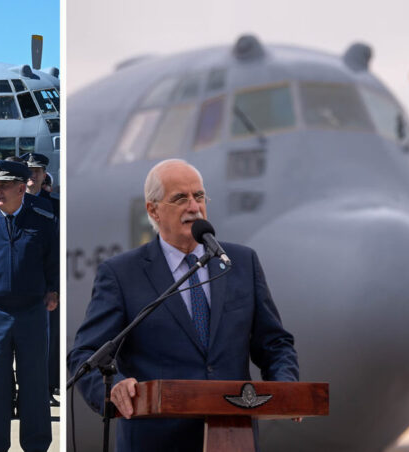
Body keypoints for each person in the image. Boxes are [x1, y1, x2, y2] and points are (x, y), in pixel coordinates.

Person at [68, 159, 299, 451]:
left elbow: (275, 344)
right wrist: (115, 387)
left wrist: (286, 386)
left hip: (232, 436)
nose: (194, 207)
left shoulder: (241, 263)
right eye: (180, 198)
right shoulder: (122, 274)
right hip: (154, 441)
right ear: (153, 209)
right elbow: (85, 355)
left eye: (199, 197)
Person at [0, 160, 58, 452]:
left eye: (3, 186)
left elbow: (52, 258)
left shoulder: (42, 217)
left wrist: (53, 290)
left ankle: (36, 444)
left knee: (34, 382)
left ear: (21, 188)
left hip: (32, 310)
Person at [20, 152, 61, 406]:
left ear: (45, 174)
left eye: (38, 171)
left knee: (49, 339)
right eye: (30, 170)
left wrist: (54, 286)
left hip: (46, 283)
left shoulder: (56, 205)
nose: (33, 175)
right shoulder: (14, 201)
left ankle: (46, 387)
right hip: (21, 283)